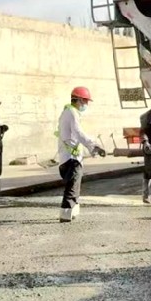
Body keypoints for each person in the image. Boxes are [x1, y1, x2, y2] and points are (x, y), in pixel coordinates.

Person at [57, 86, 106, 222]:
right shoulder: (72, 112)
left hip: (69, 156)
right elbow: (79, 133)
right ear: (78, 99)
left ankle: (72, 212)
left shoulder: (67, 112)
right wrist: (94, 145)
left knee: (74, 185)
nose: (86, 104)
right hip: (71, 159)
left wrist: (91, 148)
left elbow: (74, 137)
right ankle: (65, 214)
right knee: (72, 187)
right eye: (85, 101)